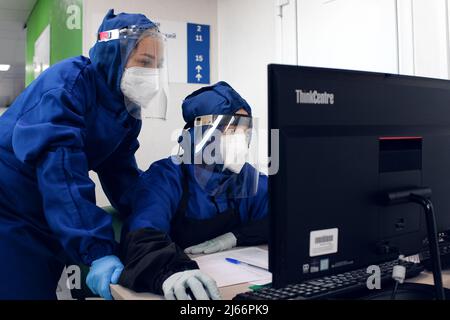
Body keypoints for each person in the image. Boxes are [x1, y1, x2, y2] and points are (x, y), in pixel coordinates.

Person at [0, 9, 168, 300]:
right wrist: (98, 250)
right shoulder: (68, 85)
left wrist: (157, 220)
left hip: (45, 210)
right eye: (144, 62)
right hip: (9, 209)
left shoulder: (126, 110)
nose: (152, 74)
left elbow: (123, 176)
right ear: (113, 55)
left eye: (158, 65)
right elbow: (62, 174)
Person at [119, 82, 268, 300]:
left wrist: (236, 237)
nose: (241, 139)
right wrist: (171, 273)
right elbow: (142, 235)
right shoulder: (166, 176)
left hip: (234, 286)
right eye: (231, 130)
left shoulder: (244, 177)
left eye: (245, 131)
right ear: (202, 134)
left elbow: (287, 215)